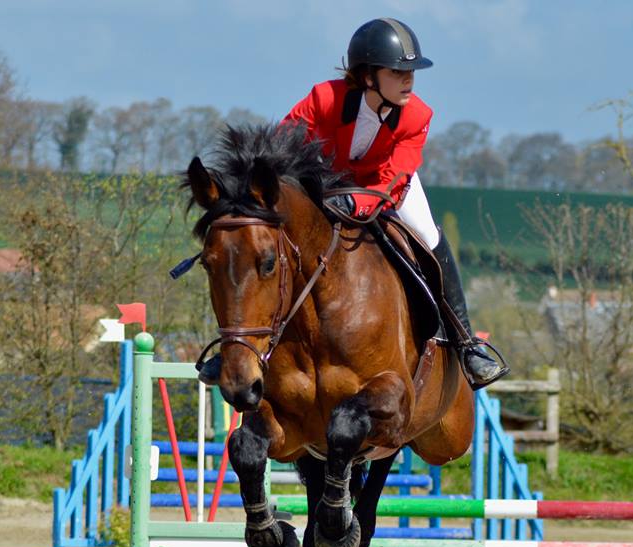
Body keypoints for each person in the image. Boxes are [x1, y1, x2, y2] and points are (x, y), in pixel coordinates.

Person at [200, 17, 507, 389]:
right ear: (367, 76)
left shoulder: (417, 116)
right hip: (325, 185)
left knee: (429, 236)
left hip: (389, 187)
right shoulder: (323, 99)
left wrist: (358, 202)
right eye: (397, 71)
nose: (408, 79)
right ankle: (237, 344)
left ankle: (466, 342)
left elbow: (395, 177)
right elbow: (277, 151)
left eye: (411, 70)